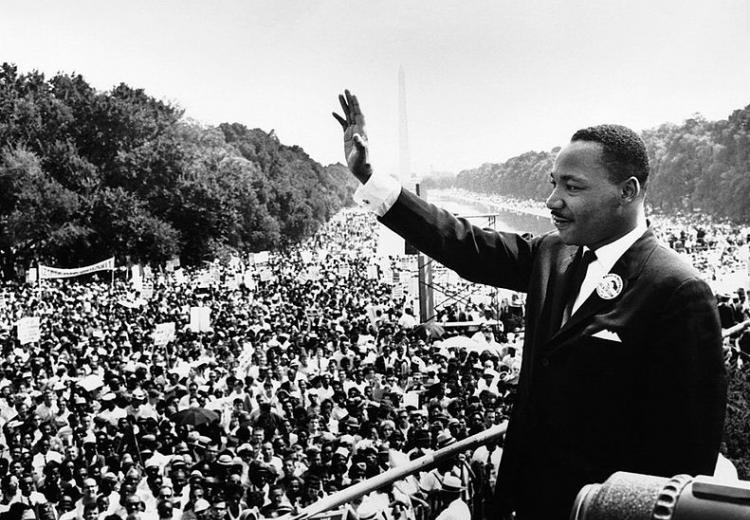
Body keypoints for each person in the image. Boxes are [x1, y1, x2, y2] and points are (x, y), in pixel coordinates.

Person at [333, 90, 727, 520]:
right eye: (553, 183)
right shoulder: (552, 254)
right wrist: (369, 177)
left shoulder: (677, 290)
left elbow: (685, 458)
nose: (552, 200)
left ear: (626, 192)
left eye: (572, 187)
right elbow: (461, 244)